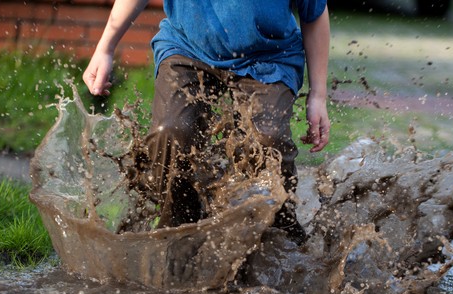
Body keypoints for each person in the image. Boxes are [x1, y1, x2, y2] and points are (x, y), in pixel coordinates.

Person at [83, 0, 331, 245]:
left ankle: (281, 233)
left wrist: (318, 95)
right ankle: (179, 227)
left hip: (270, 55)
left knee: (266, 139)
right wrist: (105, 48)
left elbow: (315, 13)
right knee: (169, 132)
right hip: (187, 47)